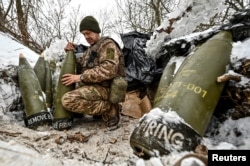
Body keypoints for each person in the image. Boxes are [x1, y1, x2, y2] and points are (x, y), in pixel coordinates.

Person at [62, 15, 126, 130]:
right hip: (95, 87)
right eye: (84, 34)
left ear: (96, 31)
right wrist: (70, 53)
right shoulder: (90, 50)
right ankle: (99, 111)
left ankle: (110, 107)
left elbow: (109, 69)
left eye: (88, 33)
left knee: (68, 100)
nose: (86, 37)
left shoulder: (108, 45)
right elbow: (80, 66)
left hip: (107, 88)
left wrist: (81, 77)